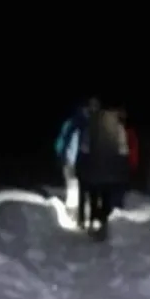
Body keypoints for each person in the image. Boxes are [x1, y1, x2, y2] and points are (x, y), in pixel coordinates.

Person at [77, 107, 131, 241]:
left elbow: (84, 148)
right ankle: (103, 226)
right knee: (107, 199)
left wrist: (83, 166)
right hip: (111, 172)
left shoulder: (92, 127)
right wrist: (122, 169)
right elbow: (124, 150)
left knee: (94, 198)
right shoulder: (118, 128)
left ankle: (92, 223)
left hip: (94, 170)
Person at [54, 97, 100, 228]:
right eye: (91, 106)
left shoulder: (96, 125)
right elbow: (62, 140)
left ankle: (85, 217)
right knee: (73, 188)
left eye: (96, 107)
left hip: (87, 164)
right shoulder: (74, 123)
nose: (93, 109)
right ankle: (71, 217)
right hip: (72, 161)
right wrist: (61, 156)